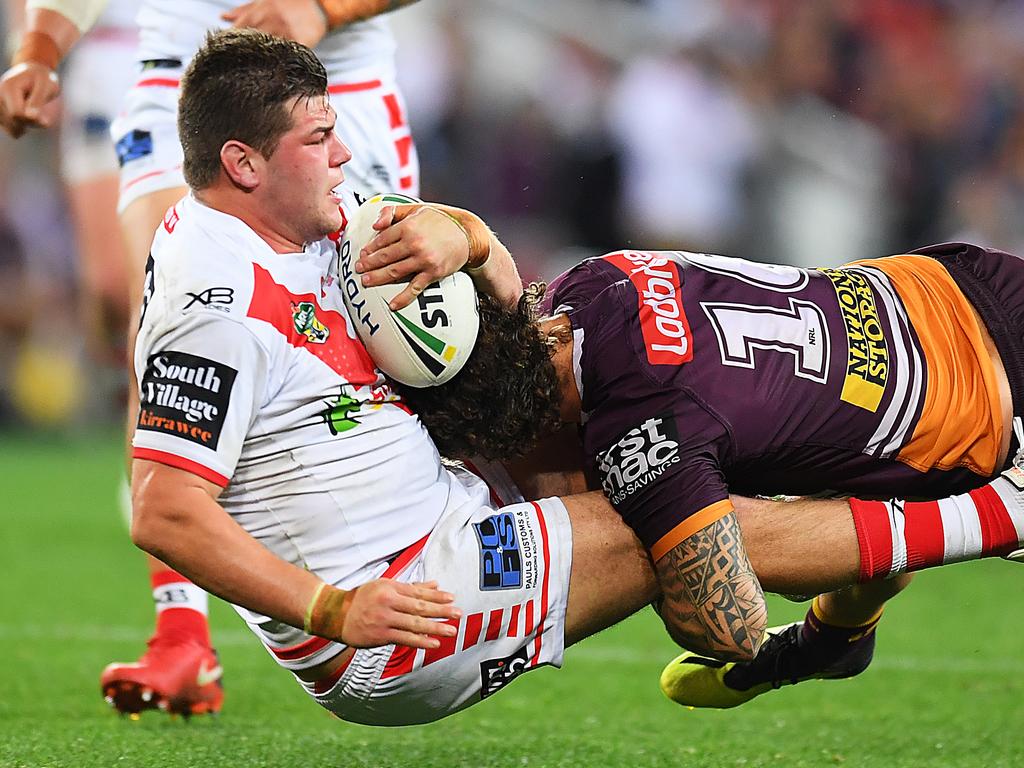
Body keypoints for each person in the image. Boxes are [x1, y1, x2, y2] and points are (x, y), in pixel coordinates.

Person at [0, 0, 422, 717]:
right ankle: (181, 630)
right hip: (180, 83)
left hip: (333, 91)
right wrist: (39, 49)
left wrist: (326, 9)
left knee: (393, 331)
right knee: (157, 314)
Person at [394, 241, 1024, 709]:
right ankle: (839, 635)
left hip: (993, 417)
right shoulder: (588, 281)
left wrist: (665, 564)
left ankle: (995, 517)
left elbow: (735, 629)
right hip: (956, 282)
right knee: (794, 461)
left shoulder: (641, 430)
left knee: (691, 532)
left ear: (508, 426)